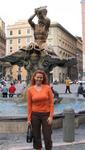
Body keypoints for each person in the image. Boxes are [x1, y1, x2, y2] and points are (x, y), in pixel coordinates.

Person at [27, 70, 54, 150]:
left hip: (46, 114)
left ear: (43, 78)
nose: (39, 79)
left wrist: (51, 116)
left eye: (41, 77)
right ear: (34, 78)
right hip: (35, 115)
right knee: (36, 136)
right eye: (37, 77)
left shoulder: (47, 88)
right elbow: (29, 105)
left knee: (47, 136)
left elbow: (51, 103)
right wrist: (29, 118)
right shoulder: (30, 90)